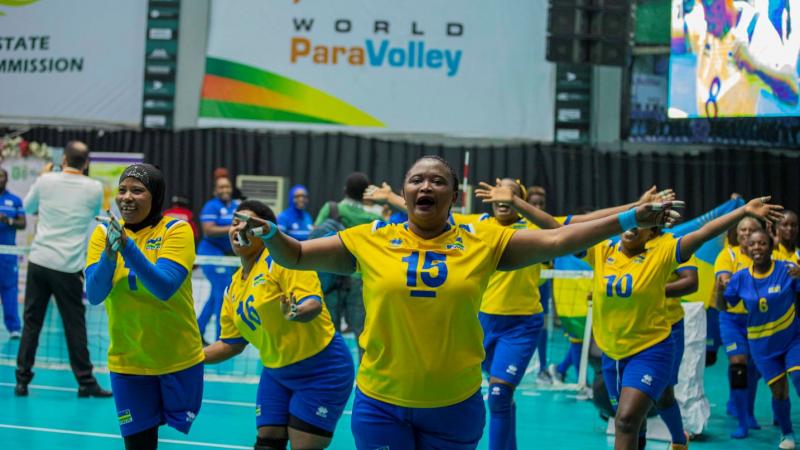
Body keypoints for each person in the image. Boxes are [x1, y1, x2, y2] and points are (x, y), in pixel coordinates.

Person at [235, 155, 682, 449]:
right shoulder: (369, 238)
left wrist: (627, 218)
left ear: (454, 195)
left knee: (501, 395)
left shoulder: (483, 238)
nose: (424, 185)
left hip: (453, 404)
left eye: (436, 180)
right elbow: (294, 254)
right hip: (381, 402)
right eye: (415, 179)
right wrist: (271, 234)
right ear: (405, 193)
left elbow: (561, 237)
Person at [204, 200, 354, 450]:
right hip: (276, 372)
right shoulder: (233, 287)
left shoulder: (284, 259)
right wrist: (188, 357)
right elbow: (230, 344)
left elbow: (312, 304)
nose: (237, 229)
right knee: (266, 444)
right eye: (233, 223)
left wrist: (295, 311)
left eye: (247, 224)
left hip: (321, 368)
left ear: (263, 230)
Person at [85, 163, 204, 450]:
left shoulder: (176, 230)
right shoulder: (103, 233)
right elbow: (95, 293)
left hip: (177, 358)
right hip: (128, 361)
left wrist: (127, 247)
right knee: (138, 444)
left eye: (137, 191)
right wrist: (110, 255)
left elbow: (164, 287)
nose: (127, 197)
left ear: (155, 196)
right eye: (122, 190)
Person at [15, 140, 110, 398]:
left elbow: (27, 208)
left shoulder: (46, 181)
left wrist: (47, 176)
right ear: (87, 163)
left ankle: (22, 381)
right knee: (75, 325)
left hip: (40, 261)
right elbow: (92, 214)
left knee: (32, 324)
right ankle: (86, 382)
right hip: (68, 267)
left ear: (64, 160)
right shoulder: (94, 188)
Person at [724, 229, 800, 450]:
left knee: (797, 377)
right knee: (779, 391)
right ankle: (787, 434)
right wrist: (721, 289)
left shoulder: (786, 270)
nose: (757, 247)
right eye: (753, 244)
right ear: (747, 248)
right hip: (761, 345)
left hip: (791, 339)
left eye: (763, 243)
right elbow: (725, 303)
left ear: (771, 247)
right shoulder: (740, 278)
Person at [313, 172, 381, 357]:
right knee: (362, 332)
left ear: (345, 189)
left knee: (329, 332)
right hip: (360, 281)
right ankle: (365, 378)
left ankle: (330, 373)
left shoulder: (332, 208)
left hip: (332, 279)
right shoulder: (374, 219)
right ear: (366, 193)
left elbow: (316, 236)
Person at [716, 217, 764, 438]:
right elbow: (724, 278)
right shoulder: (728, 254)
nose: (746, 233)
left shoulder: (765, 257)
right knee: (739, 365)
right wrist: (729, 282)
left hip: (758, 321)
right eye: (742, 229)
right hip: (731, 320)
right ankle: (742, 421)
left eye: (751, 229)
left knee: (753, 371)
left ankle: (747, 410)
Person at [197, 175, 241, 343]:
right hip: (210, 253)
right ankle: (221, 338)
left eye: (227, 187)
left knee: (217, 294)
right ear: (215, 191)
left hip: (226, 256)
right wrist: (233, 227)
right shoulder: (211, 206)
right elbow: (208, 230)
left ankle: (198, 331)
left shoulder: (236, 206)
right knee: (223, 291)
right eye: (221, 187)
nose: (225, 190)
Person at [0, 167, 24, 338]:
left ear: (6, 179)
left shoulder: (15, 200)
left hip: (7, 255)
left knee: (9, 289)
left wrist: (7, 220)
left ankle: (14, 327)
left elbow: (22, 224)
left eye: (1, 176)